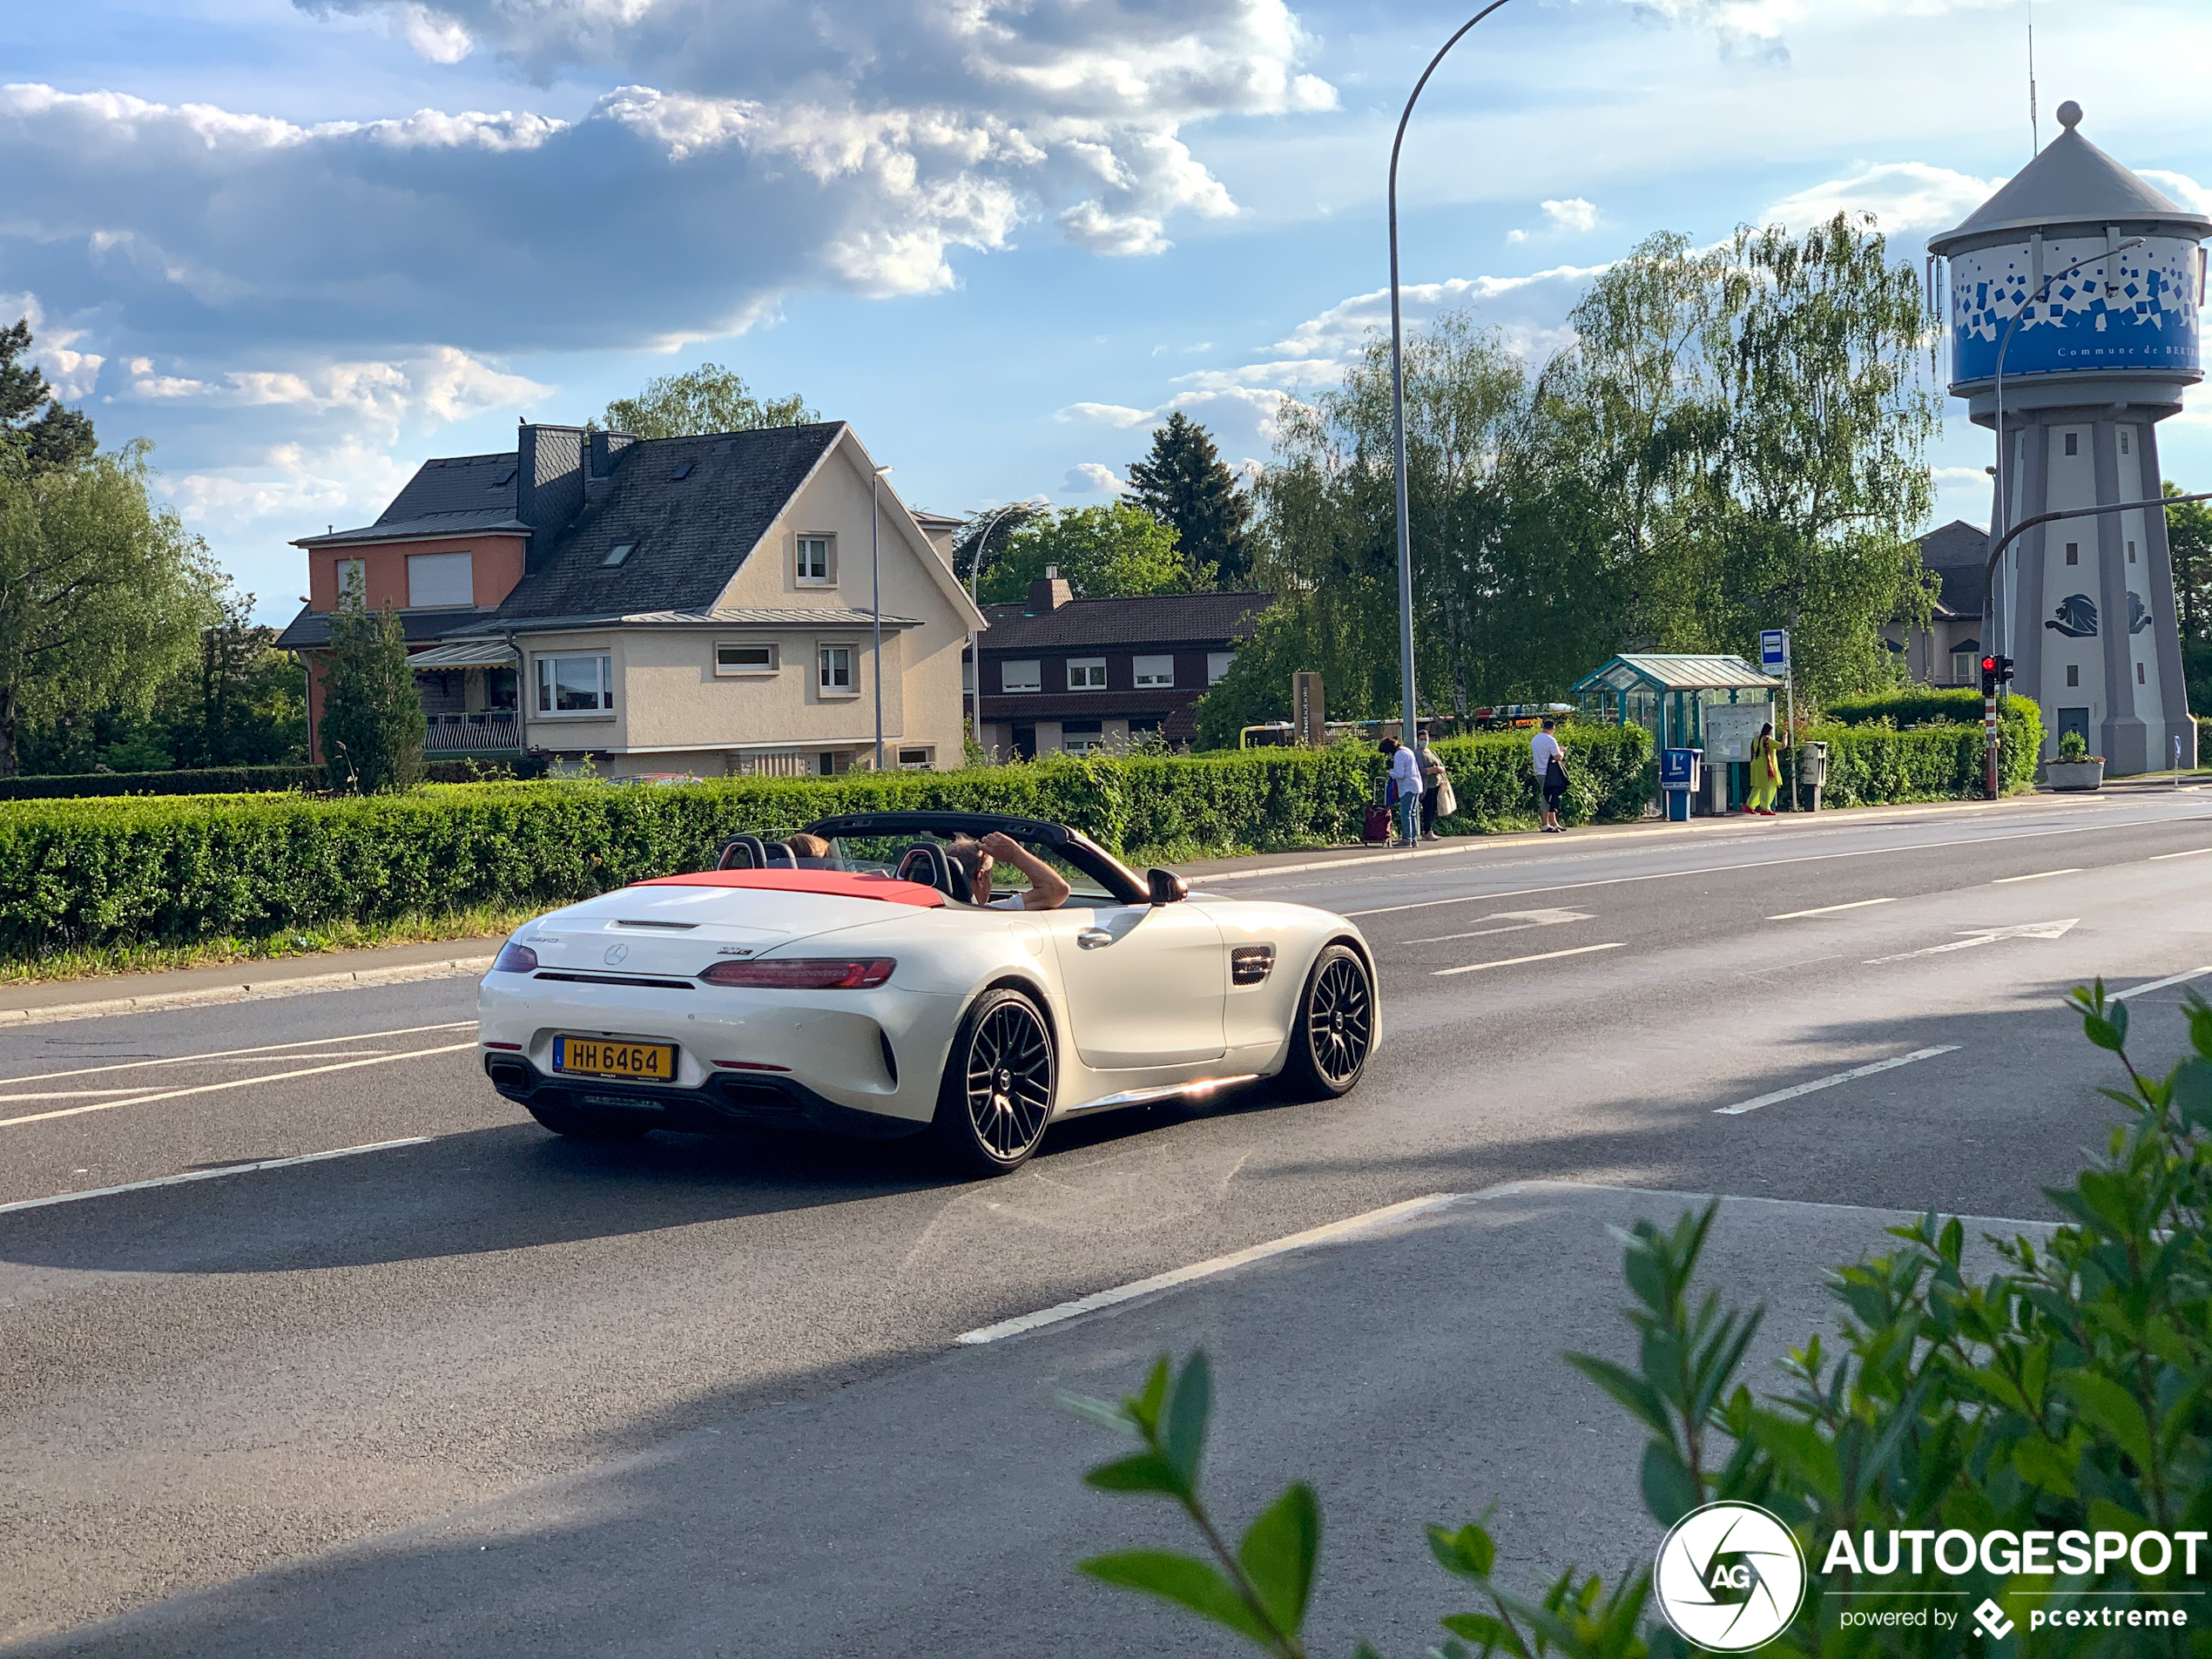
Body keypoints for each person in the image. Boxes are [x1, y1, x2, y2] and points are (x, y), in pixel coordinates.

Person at [945, 831, 1072, 910]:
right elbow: (1057, 890)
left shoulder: (928, 912)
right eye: (990, 875)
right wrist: (1014, 854)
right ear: (981, 878)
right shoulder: (989, 913)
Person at [1379, 736, 1423, 848]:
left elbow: (1400, 774)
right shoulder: (1407, 750)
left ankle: (1406, 839)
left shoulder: (1399, 755)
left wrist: (1390, 772)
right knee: (1412, 813)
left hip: (1407, 786)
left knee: (1405, 813)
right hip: (1416, 784)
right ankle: (1413, 839)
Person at [1532, 718, 1568, 833]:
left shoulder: (1535, 739)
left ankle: (1554, 823)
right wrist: (1562, 751)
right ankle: (1545, 824)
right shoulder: (1551, 740)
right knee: (1547, 798)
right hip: (1548, 773)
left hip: (1538, 771)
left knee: (1551, 796)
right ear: (1553, 728)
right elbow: (1558, 757)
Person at [1746, 722, 1785, 816]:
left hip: (1756, 764)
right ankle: (1765, 808)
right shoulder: (1767, 739)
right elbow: (1782, 746)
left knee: (1758, 786)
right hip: (1765, 765)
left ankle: (1749, 805)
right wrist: (1785, 737)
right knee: (1768, 786)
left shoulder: (1756, 739)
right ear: (1770, 731)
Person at [1414, 731, 1446, 841]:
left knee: (1433, 810)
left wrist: (1440, 769)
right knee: (1427, 809)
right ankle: (1427, 831)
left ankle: (1430, 830)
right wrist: (1433, 770)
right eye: (1421, 739)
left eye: (1425, 739)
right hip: (1427, 786)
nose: (1424, 741)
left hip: (1436, 784)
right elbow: (1420, 770)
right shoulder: (1417, 753)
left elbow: (1442, 766)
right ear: (1418, 740)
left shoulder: (1431, 752)